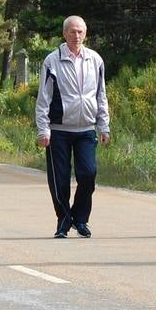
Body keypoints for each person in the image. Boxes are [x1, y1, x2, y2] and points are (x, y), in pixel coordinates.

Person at [35, 16, 111, 239]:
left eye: (80, 32)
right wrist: (43, 130)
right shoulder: (52, 61)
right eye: (72, 32)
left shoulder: (95, 60)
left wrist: (103, 126)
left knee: (88, 174)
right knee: (59, 180)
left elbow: (101, 95)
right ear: (64, 34)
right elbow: (43, 98)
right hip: (58, 129)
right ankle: (63, 220)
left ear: (85, 34)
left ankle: (80, 218)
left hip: (86, 129)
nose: (76, 36)